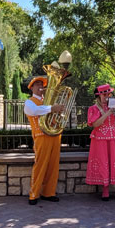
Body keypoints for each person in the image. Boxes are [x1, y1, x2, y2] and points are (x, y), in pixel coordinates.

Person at [85, 84, 115, 201]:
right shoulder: (93, 109)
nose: (106, 97)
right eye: (104, 95)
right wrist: (107, 113)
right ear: (98, 96)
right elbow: (95, 124)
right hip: (100, 139)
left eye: (108, 94)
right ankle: (105, 190)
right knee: (103, 162)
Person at [25, 76, 66, 205]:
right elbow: (34, 111)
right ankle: (34, 194)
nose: (40, 86)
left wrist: (59, 113)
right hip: (41, 136)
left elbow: (54, 116)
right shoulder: (29, 102)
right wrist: (52, 108)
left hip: (54, 135)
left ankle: (48, 193)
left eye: (41, 84)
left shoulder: (48, 102)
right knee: (40, 165)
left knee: (53, 166)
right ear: (31, 87)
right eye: (37, 84)